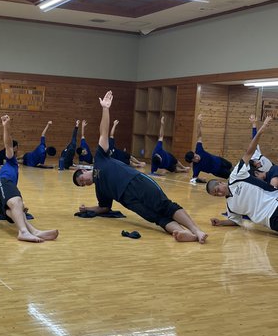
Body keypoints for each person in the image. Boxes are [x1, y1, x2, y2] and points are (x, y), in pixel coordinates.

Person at [72, 91, 207, 243]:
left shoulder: (99, 159)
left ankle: (196, 230)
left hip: (135, 181)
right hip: (128, 200)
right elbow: (104, 208)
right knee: (156, 218)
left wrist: (105, 109)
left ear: (84, 170)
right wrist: (87, 209)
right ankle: (182, 233)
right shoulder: (100, 190)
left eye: (82, 180)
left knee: (165, 206)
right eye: (82, 185)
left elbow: (103, 133)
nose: (85, 183)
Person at [0, 115, 58, 243]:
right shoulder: (11, 162)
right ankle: (23, 232)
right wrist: (6, 127)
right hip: (1, 183)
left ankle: (34, 231)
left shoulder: (14, 171)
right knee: (16, 201)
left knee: (16, 209)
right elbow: (8, 144)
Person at [207, 116, 278, 233]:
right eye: (216, 194)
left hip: (274, 202)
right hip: (270, 221)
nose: (219, 193)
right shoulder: (230, 206)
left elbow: (249, 152)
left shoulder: (236, 176)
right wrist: (221, 222)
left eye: (217, 190)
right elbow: (235, 221)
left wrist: (261, 129)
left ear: (220, 182)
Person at [184, 114, 232, 184]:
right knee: (231, 176)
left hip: (220, 161)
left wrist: (198, 123)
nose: (196, 158)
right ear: (192, 161)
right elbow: (194, 178)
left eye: (195, 156)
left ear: (195, 153)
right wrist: (201, 180)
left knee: (231, 166)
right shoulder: (196, 167)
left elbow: (199, 136)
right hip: (218, 171)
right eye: (194, 159)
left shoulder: (199, 150)